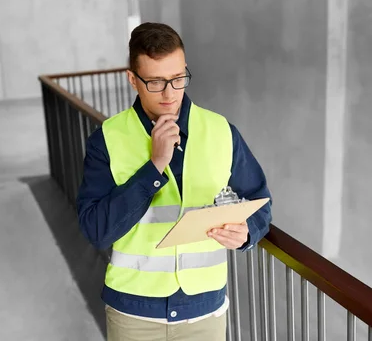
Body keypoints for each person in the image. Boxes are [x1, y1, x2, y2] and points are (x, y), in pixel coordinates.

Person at [76, 22, 272, 341]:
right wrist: (154, 167)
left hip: (204, 310)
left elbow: (259, 200)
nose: (170, 94)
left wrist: (248, 231)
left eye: (178, 78)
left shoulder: (222, 131)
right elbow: (96, 230)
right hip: (134, 313)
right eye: (155, 82)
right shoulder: (107, 140)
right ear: (132, 79)